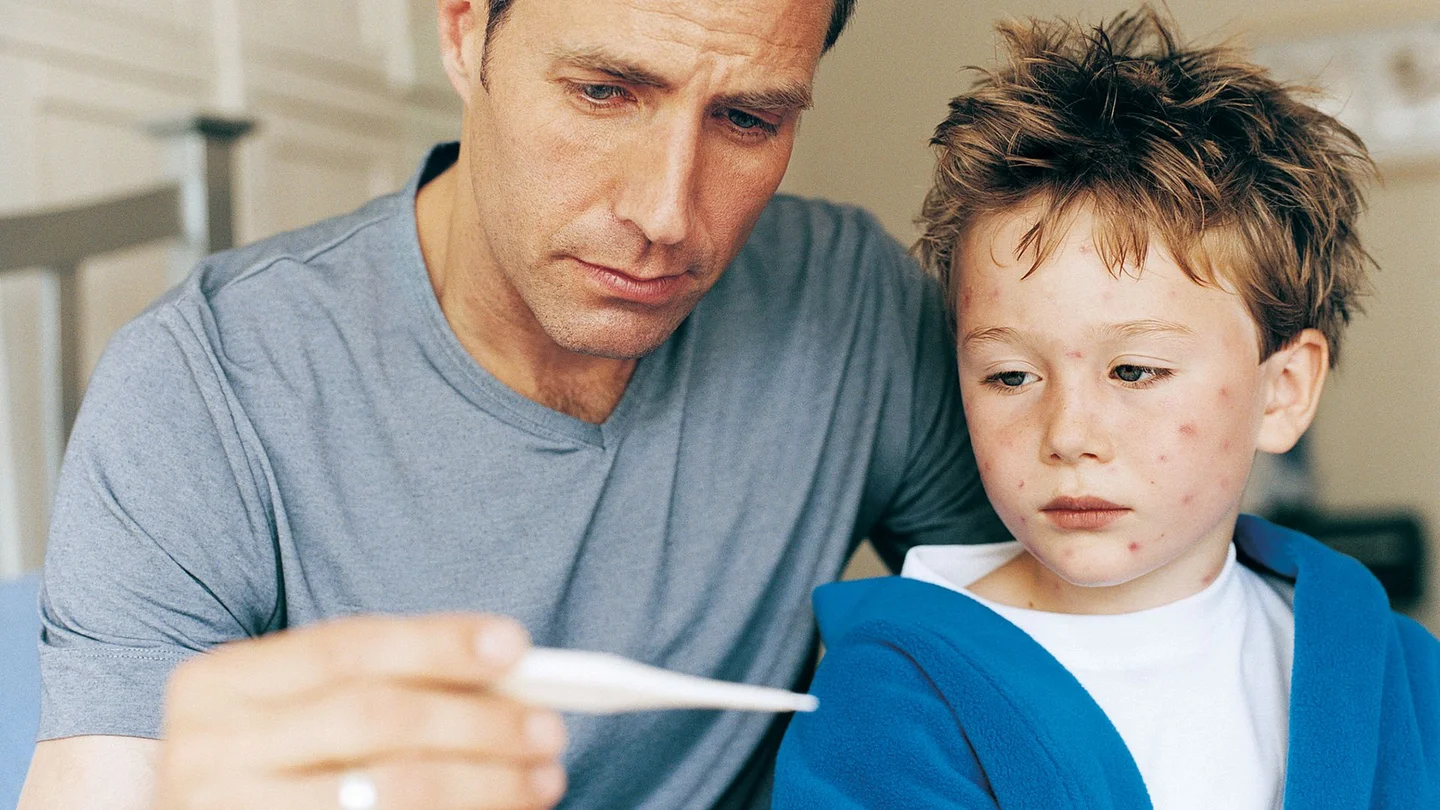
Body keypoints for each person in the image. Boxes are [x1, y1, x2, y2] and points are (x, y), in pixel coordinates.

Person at [17, 1, 1010, 809]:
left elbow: (1057, 628)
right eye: (603, 91)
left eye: (747, 119)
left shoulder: (850, 304)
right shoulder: (206, 382)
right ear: (462, 32)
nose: (666, 215)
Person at [773, 8, 1440, 809]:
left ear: (1284, 390)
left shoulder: (1395, 671)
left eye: (1134, 369)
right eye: (1011, 376)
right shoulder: (887, 706)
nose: (1068, 435)